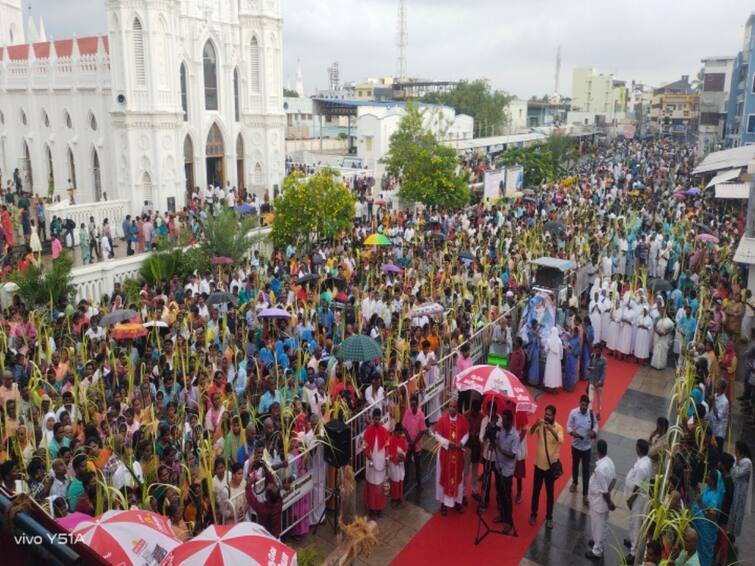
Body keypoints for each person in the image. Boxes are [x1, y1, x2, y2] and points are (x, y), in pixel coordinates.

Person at [433, 394, 469, 515]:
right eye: (450, 406)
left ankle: (456, 502)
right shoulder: (442, 420)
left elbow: (466, 434)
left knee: (457, 477)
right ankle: (444, 503)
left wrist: (462, 442)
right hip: (445, 455)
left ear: (457, 408)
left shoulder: (462, 419)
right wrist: (448, 443)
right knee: (445, 477)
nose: (452, 409)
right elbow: (437, 435)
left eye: (454, 407)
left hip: (458, 455)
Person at [529, 404, 563, 529]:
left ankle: (549, 517)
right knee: (535, 491)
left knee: (550, 493)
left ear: (554, 415)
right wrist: (536, 424)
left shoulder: (558, 428)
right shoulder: (541, 425)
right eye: (545, 414)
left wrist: (550, 429)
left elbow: (560, 440)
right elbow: (531, 433)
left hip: (550, 467)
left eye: (549, 414)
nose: (546, 416)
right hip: (538, 465)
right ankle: (533, 514)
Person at [585, 439, 616, 561]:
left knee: (597, 526)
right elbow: (614, 480)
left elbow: (604, 491)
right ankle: (598, 543)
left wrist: (610, 502)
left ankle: (597, 550)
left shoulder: (600, 469)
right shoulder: (610, 461)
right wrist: (608, 492)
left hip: (599, 503)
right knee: (602, 525)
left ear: (598, 450)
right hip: (600, 501)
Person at [624, 439, 653, 563]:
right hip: (638, 497)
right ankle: (631, 541)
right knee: (632, 521)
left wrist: (631, 499)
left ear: (639, 449)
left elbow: (638, 486)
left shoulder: (642, 467)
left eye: (636, 447)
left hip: (638, 498)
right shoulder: (645, 460)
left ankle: (633, 552)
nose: (635, 448)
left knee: (636, 523)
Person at [567, 394, 598, 506]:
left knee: (585, 470)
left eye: (586, 405)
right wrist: (572, 433)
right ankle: (575, 483)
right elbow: (568, 426)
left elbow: (596, 426)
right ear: (580, 403)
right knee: (575, 465)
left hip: (587, 448)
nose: (584, 407)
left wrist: (593, 432)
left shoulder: (591, 414)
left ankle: (585, 494)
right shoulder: (573, 413)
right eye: (583, 405)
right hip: (575, 446)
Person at [493, 409, 518, 533]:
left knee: (507, 497)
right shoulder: (501, 429)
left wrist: (500, 449)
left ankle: (508, 521)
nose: (502, 421)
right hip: (498, 466)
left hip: (507, 471)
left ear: (510, 420)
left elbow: (513, 455)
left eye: (504, 419)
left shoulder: (515, 435)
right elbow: (495, 438)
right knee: (499, 493)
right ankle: (502, 515)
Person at [363, 408, 389, 517]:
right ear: (373, 418)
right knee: (372, 483)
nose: (377, 420)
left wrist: (387, 459)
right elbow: (365, 447)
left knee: (379, 484)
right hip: (371, 461)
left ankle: (379, 508)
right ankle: (371, 508)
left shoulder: (384, 430)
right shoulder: (368, 431)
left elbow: (387, 446)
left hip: (381, 461)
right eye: (376, 419)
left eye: (379, 418)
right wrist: (370, 458)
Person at [727, 440, 752, 543]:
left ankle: (732, 534)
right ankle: (729, 530)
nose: (735, 451)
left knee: (737, 511)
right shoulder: (737, 459)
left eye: (736, 449)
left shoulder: (747, 462)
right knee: (732, 509)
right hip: (735, 487)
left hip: (741, 491)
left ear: (740, 450)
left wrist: (736, 463)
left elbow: (737, 473)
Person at [402, 395, 426, 491]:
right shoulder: (407, 412)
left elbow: (422, 430)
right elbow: (404, 427)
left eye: (414, 405)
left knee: (417, 465)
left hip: (417, 445)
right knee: (406, 464)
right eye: (411, 406)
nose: (412, 408)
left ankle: (419, 483)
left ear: (417, 405)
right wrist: (409, 441)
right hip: (408, 444)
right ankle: (405, 480)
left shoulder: (421, 415)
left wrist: (414, 442)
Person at [463, 397, 483, 504]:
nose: (475, 413)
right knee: (465, 471)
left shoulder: (482, 417)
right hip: (467, 447)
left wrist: (478, 434)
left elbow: (483, 433)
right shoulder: (465, 415)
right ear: (471, 409)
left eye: (477, 411)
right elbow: (462, 430)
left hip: (477, 448)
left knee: (475, 471)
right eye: (474, 411)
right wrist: (469, 433)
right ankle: (463, 494)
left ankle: (474, 491)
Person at [386, 423, 408, 506]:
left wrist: (403, 456)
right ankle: (394, 498)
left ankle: (399, 497)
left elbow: (405, 450)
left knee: (400, 480)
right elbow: (388, 453)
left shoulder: (402, 440)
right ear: (395, 432)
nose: (399, 434)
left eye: (401, 433)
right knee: (394, 480)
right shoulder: (391, 439)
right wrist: (395, 458)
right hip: (393, 464)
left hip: (400, 464)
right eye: (398, 433)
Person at [587, 342, 607, 421]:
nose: (596, 352)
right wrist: (590, 369)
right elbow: (590, 367)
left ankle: (598, 412)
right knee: (590, 399)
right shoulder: (592, 357)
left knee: (599, 399)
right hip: (592, 381)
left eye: (598, 350)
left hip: (599, 384)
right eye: (596, 350)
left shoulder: (604, 360)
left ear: (601, 351)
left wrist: (600, 382)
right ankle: (590, 415)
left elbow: (603, 373)